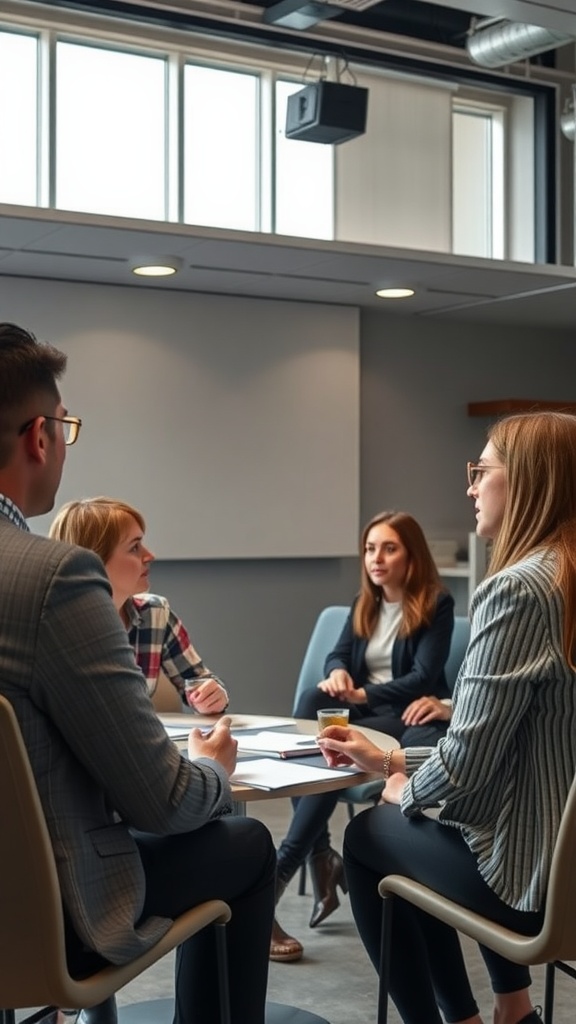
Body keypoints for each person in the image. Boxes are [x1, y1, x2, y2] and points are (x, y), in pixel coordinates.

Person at [0, 322, 275, 1024]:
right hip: (45, 915)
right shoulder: (52, 580)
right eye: (66, 426)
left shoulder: (141, 607)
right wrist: (212, 767)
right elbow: (163, 801)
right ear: (40, 437)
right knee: (244, 840)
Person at [318, 410, 576, 1024]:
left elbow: (466, 768)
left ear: (529, 481)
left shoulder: (520, 589)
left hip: (537, 888)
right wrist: (389, 758)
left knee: (372, 836)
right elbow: (518, 745)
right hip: (572, 873)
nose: (469, 487)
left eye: (481, 471)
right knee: (446, 821)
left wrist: (402, 789)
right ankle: (514, 1011)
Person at [272, 509, 455, 962]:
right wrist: (336, 676)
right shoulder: (364, 602)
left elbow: (423, 676)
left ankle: (285, 871)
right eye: (371, 548)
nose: (377, 558)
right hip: (364, 712)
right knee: (315, 703)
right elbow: (337, 654)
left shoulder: (435, 601)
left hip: (405, 717)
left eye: (389, 548)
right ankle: (322, 857)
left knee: (333, 743)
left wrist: (362, 692)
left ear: (411, 556)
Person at [49, 497, 229, 715]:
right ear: (93, 560)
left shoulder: (155, 613)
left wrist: (211, 695)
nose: (149, 555)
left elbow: (198, 680)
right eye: (135, 547)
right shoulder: (51, 624)